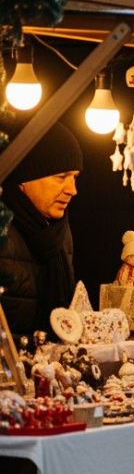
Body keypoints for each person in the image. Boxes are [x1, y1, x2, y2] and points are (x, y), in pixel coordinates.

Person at [0, 121, 83, 336]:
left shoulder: (59, 230)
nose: (72, 190)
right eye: (61, 177)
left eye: (75, 177)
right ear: (23, 179)